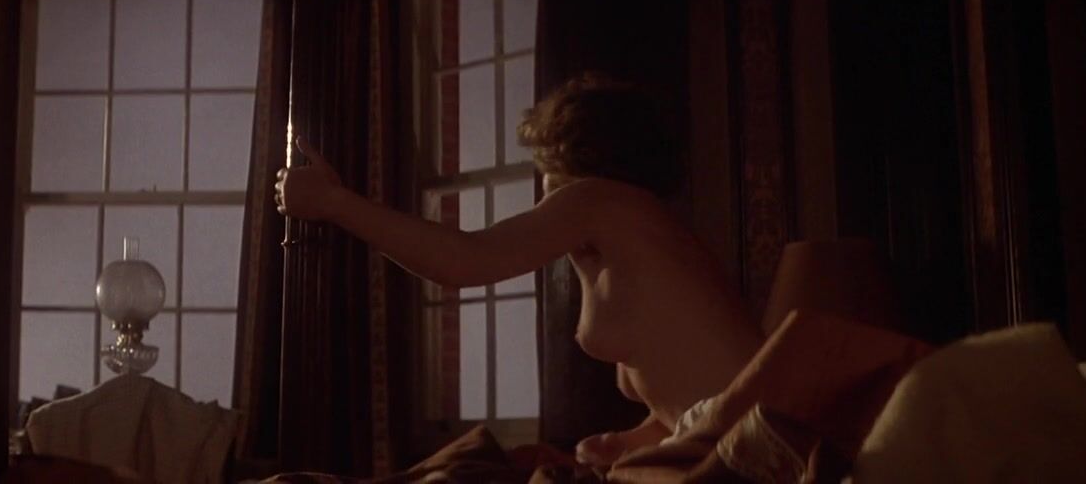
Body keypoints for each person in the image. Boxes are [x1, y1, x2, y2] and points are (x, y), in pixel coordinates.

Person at [274, 74, 763, 466]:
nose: (540, 187)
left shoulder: (598, 200)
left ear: (569, 157)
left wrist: (334, 202)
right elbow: (685, 396)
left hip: (750, 454)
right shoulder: (636, 233)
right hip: (724, 448)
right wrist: (627, 441)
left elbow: (461, 261)